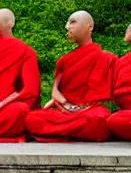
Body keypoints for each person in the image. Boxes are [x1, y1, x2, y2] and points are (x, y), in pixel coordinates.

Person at [25, 11, 115, 142]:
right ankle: (72, 132)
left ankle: (59, 132)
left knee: (99, 120)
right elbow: (57, 93)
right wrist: (55, 101)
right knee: (32, 118)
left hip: (91, 110)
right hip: (64, 110)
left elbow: (114, 92)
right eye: (67, 23)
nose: (67, 27)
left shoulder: (107, 58)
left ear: (90, 27)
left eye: (72, 22)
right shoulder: (64, 61)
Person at [0, 9, 40, 142]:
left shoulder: (25, 51)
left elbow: (30, 91)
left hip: (5, 109)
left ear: (11, 23)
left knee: (21, 110)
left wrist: (2, 104)